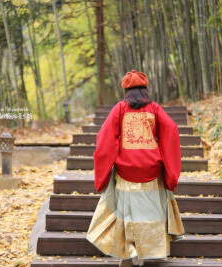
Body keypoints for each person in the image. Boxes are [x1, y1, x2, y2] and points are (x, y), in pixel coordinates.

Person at [86, 70, 185, 267]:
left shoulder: (120, 108)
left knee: (127, 214)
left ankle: (127, 253)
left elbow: (104, 139)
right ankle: (145, 253)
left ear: (126, 92)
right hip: (151, 170)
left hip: (126, 171)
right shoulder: (154, 108)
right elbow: (171, 130)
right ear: (145, 90)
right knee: (150, 213)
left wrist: (105, 171)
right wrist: (170, 171)